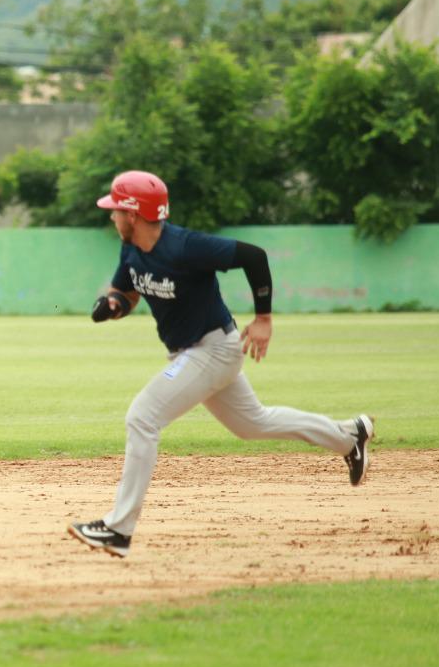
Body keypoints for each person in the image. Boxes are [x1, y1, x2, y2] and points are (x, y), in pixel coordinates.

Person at [67, 171, 374, 558]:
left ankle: (118, 529)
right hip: (190, 353)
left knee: (142, 417)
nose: (111, 217)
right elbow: (127, 292)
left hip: (212, 349)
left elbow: (253, 256)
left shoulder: (185, 246)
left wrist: (263, 319)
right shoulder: (131, 250)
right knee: (253, 424)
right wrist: (113, 305)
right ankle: (349, 436)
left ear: (134, 214)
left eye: (116, 210)